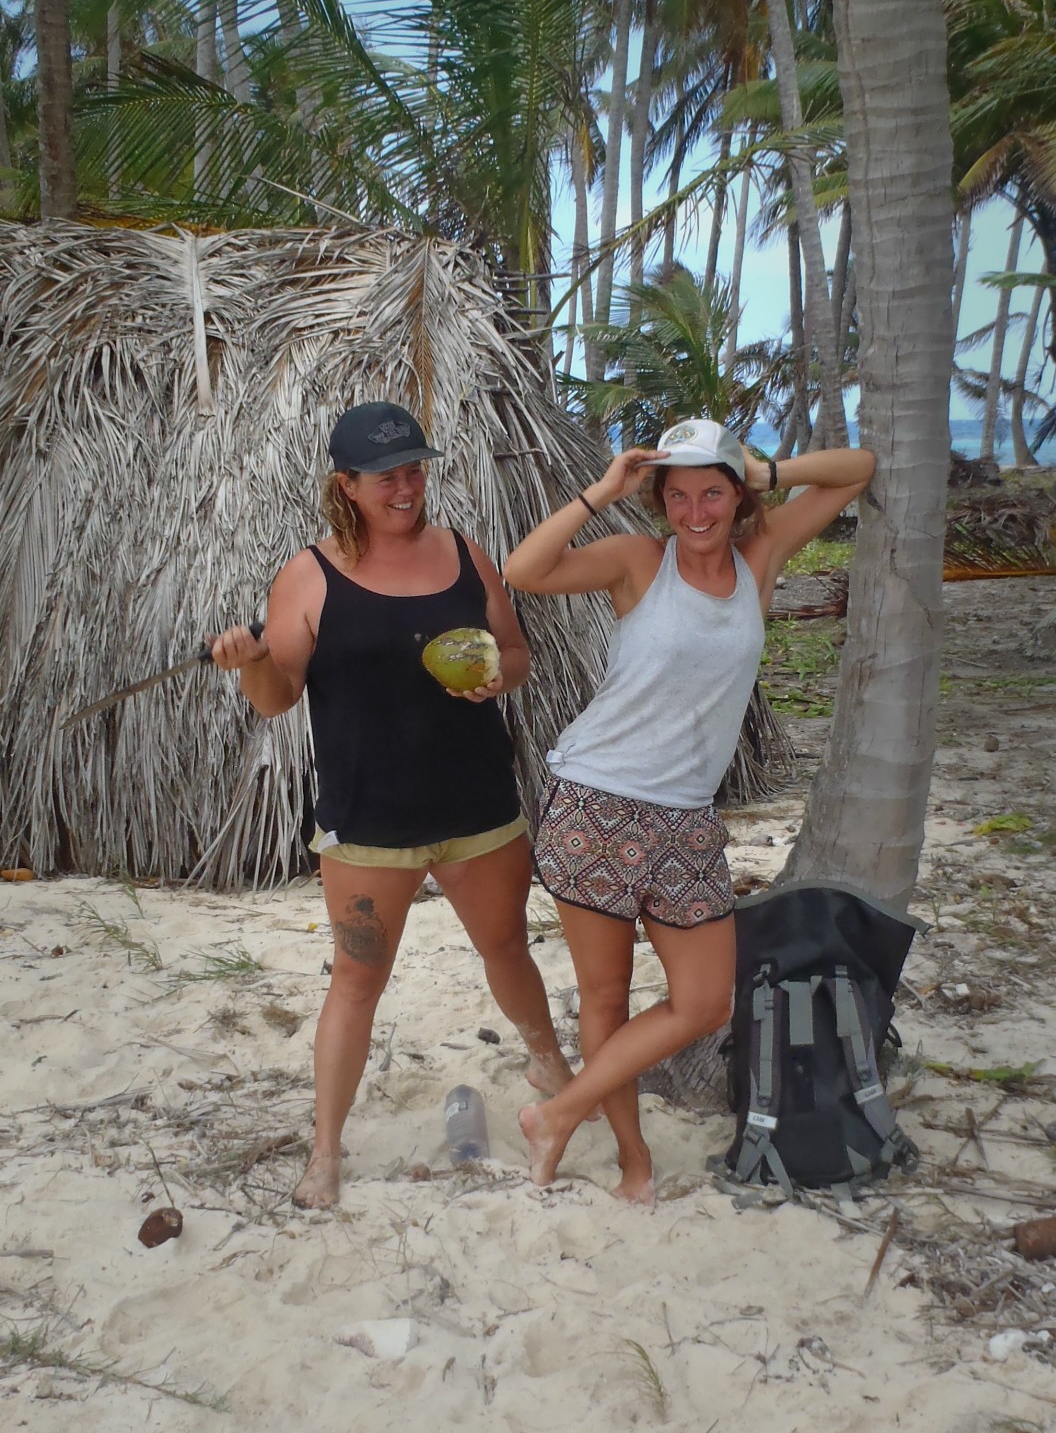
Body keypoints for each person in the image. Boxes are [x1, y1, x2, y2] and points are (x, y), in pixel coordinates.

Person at [503, 419, 876, 1203]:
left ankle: (558, 1114)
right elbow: (524, 570)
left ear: (736, 495)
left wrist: (766, 472)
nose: (697, 512)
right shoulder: (638, 560)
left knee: (704, 1001)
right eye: (679, 496)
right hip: (596, 802)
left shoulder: (761, 554)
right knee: (605, 997)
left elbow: (858, 468)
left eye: (713, 491)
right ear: (661, 502)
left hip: (686, 818)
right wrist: (601, 492)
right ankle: (633, 1162)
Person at [211, 400, 573, 1209]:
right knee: (356, 981)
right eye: (385, 477)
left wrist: (498, 675)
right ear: (346, 484)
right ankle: (325, 1152)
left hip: (478, 808)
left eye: (414, 470)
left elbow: (516, 652)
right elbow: (277, 696)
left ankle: (550, 1067)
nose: (406, 488)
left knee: (507, 948)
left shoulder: (463, 553)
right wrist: (250, 660)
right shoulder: (309, 575)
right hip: (368, 823)